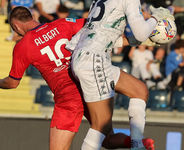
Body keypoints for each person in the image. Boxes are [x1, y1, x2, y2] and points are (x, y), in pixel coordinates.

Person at [0, 6, 154, 150]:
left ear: (15, 25)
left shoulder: (23, 46)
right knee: (106, 138)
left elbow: (13, 82)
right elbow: (93, 28)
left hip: (68, 98)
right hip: (91, 84)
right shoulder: (63, 24)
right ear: (33, 17)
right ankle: (137, 142)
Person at [66, 0, 174, 149]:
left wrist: (134, 41)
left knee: (139, 90)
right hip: (93, 59)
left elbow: (103, 37)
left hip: (90, 56)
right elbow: (142, 32)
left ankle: (137, 145)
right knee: (101, 126)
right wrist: (155, 18)